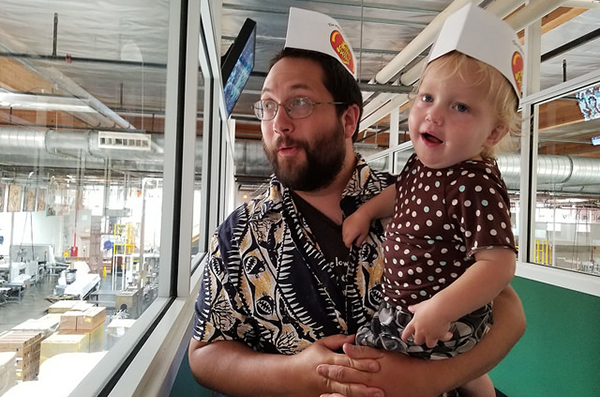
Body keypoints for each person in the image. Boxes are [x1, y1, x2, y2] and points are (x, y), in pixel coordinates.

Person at [188, 7, 525, 397]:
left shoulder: (421, 197)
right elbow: (205, 355)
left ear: (349, 120)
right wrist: (299, 375)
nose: (278, 124)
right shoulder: (241, 233)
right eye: (268, 106)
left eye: (300, 103)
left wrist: (428, 380)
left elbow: (509, 313)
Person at [342, 5, 523, 397]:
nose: (434, 114)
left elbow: (499, 264)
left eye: (460, 107)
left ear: (493, 132)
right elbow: (398, 193)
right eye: (427, 97)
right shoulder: (421, 163)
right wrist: (365, 212)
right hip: (412, 306)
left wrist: (443, 307)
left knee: (367, 354)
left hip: (446, 317)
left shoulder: (475, 184)